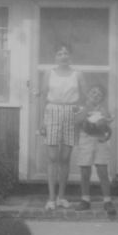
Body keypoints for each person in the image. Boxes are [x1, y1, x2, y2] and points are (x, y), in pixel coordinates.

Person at [39, 43, 86, 210]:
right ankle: (51, 199)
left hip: (71, 113)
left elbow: (84, 99)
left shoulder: (78, 74)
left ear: (70, 56)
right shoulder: (48, 73)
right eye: (60, 53)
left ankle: (61, 197)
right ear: (55, 57)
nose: (63, 56)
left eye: (66, 53)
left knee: (65, 158)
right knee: (52, 158)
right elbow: (43, 97)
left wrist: (80, 116)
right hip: (52, 112)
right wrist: (41, 121)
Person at [73, 83, 117, 216]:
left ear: (102, 98)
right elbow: (77, 121)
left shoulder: (103, 109)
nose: (95, 96)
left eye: (99, 94)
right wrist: (87, 109)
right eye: (93, 93)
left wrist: (106, 135)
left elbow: (107, 126)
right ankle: (85, 199)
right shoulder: (82, 108)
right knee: (85, 171)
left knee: (103, 171)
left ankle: (107, 201)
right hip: (85, 140)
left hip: (99, 141)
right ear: (87, 94)